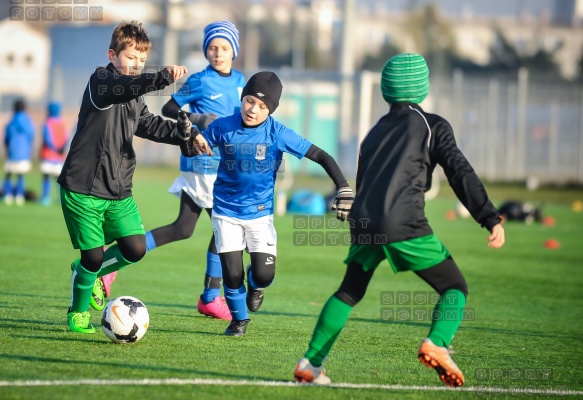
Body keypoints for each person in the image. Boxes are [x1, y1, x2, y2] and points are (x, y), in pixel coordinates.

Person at [292, 53, 506, 387]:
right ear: (422, 87)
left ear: (386, 89)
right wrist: (489, 217)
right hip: (403, 223)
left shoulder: (374, 132)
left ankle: (311, 362)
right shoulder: (432, 125)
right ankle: (437, 343)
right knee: (454, 287)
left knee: (349, 292)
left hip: (364, 223)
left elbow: (363, 181)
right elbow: (459, 171)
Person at [100, 21, 245, 319]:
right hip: (201, 163)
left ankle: (113, 261)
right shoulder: (200, 80)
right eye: (212, 48)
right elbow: (169, 110)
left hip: (225, 166)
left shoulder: (242, 81)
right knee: (227, 228)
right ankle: (209, 296)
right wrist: (199, 118)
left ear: (235, 51)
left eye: (224, 48)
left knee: (183, 228)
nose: (218, 53)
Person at [192, 71, 354, 336]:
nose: (253, 109)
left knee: (264, 275)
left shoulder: (278, 133)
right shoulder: (223, 126)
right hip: (225, 211)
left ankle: (256, 284)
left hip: (259, 214)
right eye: (249, 101)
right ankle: (239, 321)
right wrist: (192, 139)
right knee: (231, 276)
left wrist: (343, 186)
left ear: (271, 110)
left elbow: (321, 155)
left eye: (262, 106)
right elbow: (199, 145)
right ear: (242, 99)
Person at [58, 20, 192, 333]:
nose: (136, 65)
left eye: (142, 60)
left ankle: (85, 272)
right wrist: (160, 77)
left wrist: (185, 134)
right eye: (131, 57)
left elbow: (149, 125)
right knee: (92, 257)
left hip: (119, 191)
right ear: (112, 53)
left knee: (135, 249)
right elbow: (125, 89)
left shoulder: (134, 96)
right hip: (83, 188)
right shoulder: (101, 81)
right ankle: (77, 312)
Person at [3, 99, 35, 206]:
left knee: (8, 174)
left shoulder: (11, 121)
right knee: (21, 175)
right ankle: (19, 196)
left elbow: (6, 138)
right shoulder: (27, 121)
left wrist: (7, 147)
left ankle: (7, 195)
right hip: (24, 153)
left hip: (12, 152)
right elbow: (31, 135)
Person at [39, 102, 69, 206]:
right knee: (58, 179)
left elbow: (47, 139)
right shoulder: (62, 123)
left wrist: (54, 148)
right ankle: (60, 199)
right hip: (59, 156)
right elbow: (66, 137)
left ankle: (45, 198)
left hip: (48, 155)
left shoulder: (48, 123)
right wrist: (61, 149)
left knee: (46, 177)